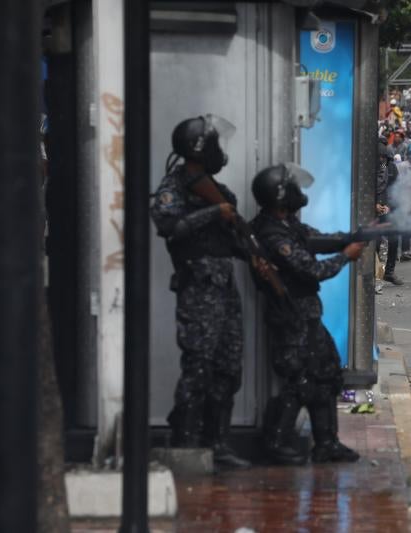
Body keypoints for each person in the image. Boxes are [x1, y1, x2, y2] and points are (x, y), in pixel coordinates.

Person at [150, 115, 252, 468]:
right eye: (213, 144)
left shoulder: (219, 190)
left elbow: (236, 240)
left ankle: (218, 443)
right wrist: (212, 213)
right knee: (198, 365)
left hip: (225, 288)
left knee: (228, 368)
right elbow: (168, 227)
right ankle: (184, 440)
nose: (219, 151)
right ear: (199, 147)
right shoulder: (174, 186)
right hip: (198, 288)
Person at [250, 164, 365, 465]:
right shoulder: (272, 234)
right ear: (280, 195)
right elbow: (311, 268)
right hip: (291, 318)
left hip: (307, 316)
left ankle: (327, 443)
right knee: (299, 380)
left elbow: (316, 239)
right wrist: (346, 256)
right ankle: (275, 442)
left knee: (326, 374)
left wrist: (354, 236)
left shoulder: (288, 225)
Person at [375, 141, 403, 285]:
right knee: (375, 241)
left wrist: (389, 206)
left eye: (384, 158)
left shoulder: (389, 167)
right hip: (370, 210)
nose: (382, 161)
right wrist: (373, 205)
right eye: (379, 157)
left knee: (393, 238)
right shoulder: (368, 168)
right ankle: (374, 275)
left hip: (387, 209)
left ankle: (389, 272)